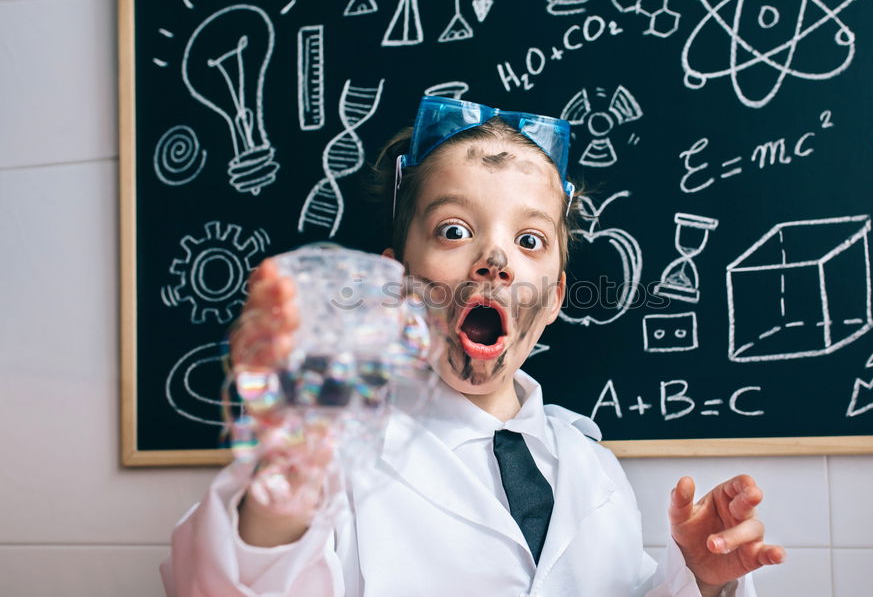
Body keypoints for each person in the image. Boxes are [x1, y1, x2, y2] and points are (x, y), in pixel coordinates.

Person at [161, 96, 785, 597]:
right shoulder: (339, 453)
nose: (495, 260)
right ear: (396, 283)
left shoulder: (593, 468)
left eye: (531, 241)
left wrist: (700, 581)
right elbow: (221, 584)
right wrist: (289, 479)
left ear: (558, 297)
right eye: (454, 230)